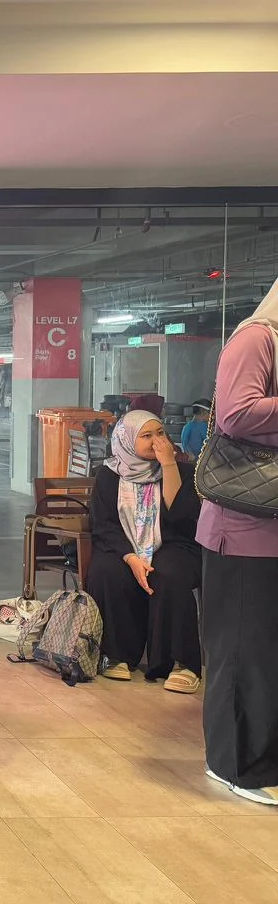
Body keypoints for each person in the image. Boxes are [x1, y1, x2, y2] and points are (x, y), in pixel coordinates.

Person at [198, 281, 278, 807]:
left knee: (268, 654)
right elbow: (236, 413)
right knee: (246, 652)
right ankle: (236, 766)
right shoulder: (258, 338)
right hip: (246, 529)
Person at [89, 411, 202, 691]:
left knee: (169, 573)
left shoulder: (184, 471)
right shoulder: (108, 475)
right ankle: (115, 656)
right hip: (122, 546)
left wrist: (169, 466)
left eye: (161, 433)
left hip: (173, 543)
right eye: (147, 435)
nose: (157, 440)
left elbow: (181, 518)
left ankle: (181, 663)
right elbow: (103, 526)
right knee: (107, 572)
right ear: (127, 440)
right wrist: (131, 557)